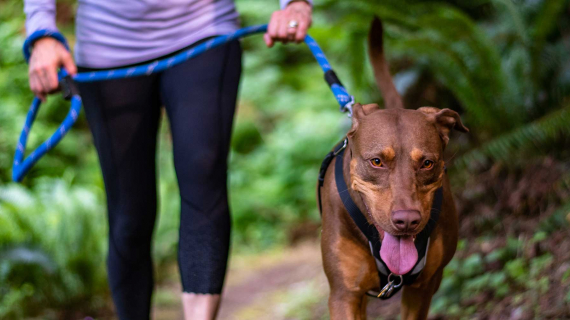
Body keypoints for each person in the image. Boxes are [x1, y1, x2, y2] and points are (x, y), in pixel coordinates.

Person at [23, 0, 313, 319]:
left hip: (204, 29)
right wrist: (41, 31)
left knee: (204, 173)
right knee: (130, 212)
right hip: (108, 45)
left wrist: (295, 4)